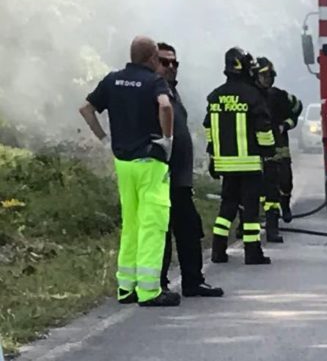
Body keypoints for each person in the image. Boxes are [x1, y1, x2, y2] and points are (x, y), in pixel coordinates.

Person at [79, 36, 179, 306]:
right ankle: (149, 291)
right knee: (152, 224)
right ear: (151, 58)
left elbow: (86, 109)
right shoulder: (154, 81)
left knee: (131, 224)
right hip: (150, 161)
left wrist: (104, 139)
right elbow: (165, 106)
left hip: (122, 162)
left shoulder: (112, 79)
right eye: (158, 57)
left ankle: (126, 287)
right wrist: (167, 139)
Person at [156, 43, 223, 298]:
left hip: (181, 179)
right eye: (165, 62)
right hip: (163, 176)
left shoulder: (171, 91)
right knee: (162, 232)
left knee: (189, 229)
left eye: (175, 63)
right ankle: (158, 284)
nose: (171, 67)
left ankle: (193, 281)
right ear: (153, 62)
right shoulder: (154, 91)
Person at [204, 47, 275, 265]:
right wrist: (269, 151)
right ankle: (252, 253)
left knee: (227, 207)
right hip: (249, 164)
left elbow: (209, 128)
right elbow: (263, 128)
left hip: (225, 164)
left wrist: (214, 158)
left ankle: (218, 251)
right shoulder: (252, 95)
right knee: (250, 210)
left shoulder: (215, 96)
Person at [253, 57, 303, 242]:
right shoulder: (252, 96)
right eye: (264, 75)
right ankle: (263, 219)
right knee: (262, 185)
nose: (267, 79)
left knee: (285, 180)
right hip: (259, 148)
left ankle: (285, 205)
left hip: (279, 144)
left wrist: (286, 125)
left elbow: (297, 107)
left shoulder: (279, 95)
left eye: (270, 76)